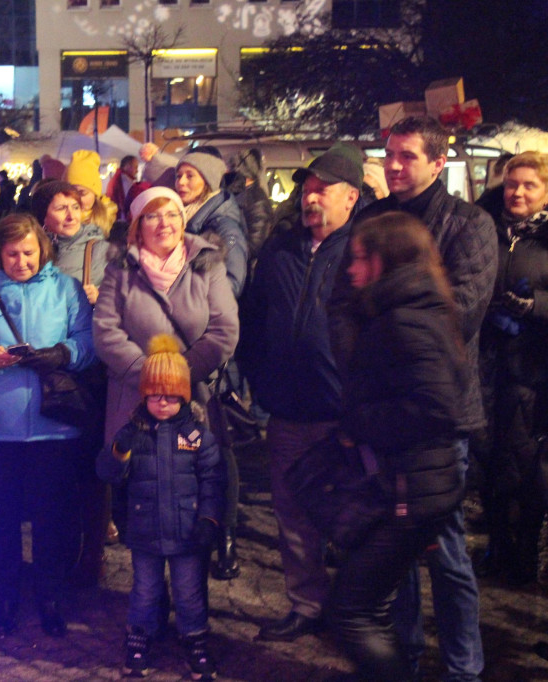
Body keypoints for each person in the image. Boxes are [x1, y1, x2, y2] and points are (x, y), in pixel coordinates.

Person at [329, 116, 494, 682]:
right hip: (380, 413)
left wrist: (384, 332)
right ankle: (402, 658)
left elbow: (463, 312)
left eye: (407, 156)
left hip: (436, 414)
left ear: (436, 162)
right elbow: (340, 301)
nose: (395, 165)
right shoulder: (370, 218)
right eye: (390, 154)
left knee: (446, 557)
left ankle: (462, 668)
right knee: (390, 556)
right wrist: (362, 361)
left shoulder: (468, 224)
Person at [0, 213, 96, 638]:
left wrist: (62, 353)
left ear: (42, 249)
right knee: (1, 520)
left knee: (51, 519)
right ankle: (6, 598)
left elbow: (89, 343)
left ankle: (50, 596)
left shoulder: (65, 289)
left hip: (54, 427)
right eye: (12, 254)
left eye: (29, 252)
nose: (21, 261)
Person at [239, 148, 361, 642]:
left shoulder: (365, 250)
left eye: (323, 189)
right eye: (307, 189)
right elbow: (252, 317)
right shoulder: (281, 249)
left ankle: (355, 614)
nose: (311, 198)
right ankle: (307, 604)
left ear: (352, 196)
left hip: (346, 415)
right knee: (292, 515)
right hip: (288, 409)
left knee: (352, 517)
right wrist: (261, 380)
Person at [93, 186, 239, 584]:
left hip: (193, 398)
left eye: (172, 215)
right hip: (133, 397)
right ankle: (147, 595)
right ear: (138, 227)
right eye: (153, 217)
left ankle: (191, 595)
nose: (164, 224)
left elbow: (224, 329)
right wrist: (150, 377)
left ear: (183, 219)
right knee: (142, 493)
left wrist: (178, 377)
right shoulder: (120, 269)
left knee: (188, 490)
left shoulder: (206, 263)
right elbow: (106, 331)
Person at [97, 334, 225, 680]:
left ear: (183, 396)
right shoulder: (133, 432)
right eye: (155, 396)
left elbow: (213, 480)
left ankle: (195, 638)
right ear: (145, 396)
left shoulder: (198, 435)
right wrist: (119, 451)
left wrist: (209, 519)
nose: (163, 403)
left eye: (171, 397)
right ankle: (140, 635)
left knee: (189, 591)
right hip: (145, 531)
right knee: (145, 589)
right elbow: (108, 474)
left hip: (187, 532)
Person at [31, 179, 113, 583]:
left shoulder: (100, 249)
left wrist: (102, 296)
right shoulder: (37, 250)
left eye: (74, 206)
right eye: (59, 207)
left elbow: (122, 297)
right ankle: (59, 555)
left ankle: (90, 559)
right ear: (44, 214)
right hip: (50, 368)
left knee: (89, 468)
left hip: (89, 366)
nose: (69, 214)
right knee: (56, 470)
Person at [473, 151, 548, 585]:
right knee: (487, 459)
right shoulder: (488, 229)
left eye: (528, 185)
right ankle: (498, 545)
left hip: (532, 372)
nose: (517, 192)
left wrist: (535, 305)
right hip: (486, 363)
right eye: (511, 183)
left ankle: (525, 552)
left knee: (523, 465)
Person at [175, 149, 249, 298]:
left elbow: (232, 284)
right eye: (178, 176)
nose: (181, 182)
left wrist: (191, 303)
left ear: (208, 180)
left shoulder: (224, 226)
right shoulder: (184, 216)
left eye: (190, 176)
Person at [31, 179, 111, 305]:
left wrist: (100, 298)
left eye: (75, 207)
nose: (71, 216)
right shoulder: (30, 249)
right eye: (61, 209)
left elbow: (124, 299)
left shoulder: (101, 249)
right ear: (43, 217)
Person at [225, 148, 273, 261]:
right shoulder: (237, 194)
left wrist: (226, 250)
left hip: (244, 269)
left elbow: (254, 246)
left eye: (231, 171)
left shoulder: (257, 201)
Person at [66, 149, 117, 238]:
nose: (78, 199)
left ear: (95, 193)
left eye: (83, 193)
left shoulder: (112, 224)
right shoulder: (58, 221)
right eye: (72, 193)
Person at [106, 155, 139, 222]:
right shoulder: (125, 179)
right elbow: (129, 202)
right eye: (135, 167)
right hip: (121, 217)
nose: (137, 171)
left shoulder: (117, 177)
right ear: (127, 166)